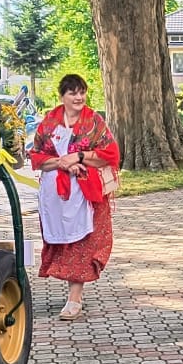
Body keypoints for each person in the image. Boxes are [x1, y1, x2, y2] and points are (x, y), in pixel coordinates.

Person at [31, 73, 120, 322]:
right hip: (56, 195)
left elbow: (110, 154)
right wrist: (61, 162)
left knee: (83, 243)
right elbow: (37, 157)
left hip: (86, 194)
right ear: (62, 96)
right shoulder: (49, 123)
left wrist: (79, 157)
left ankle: (75, 297)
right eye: (73, 93)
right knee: (64, 242)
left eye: (82, 92)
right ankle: (71, 292)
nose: (79, 97)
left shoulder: (94, 122)